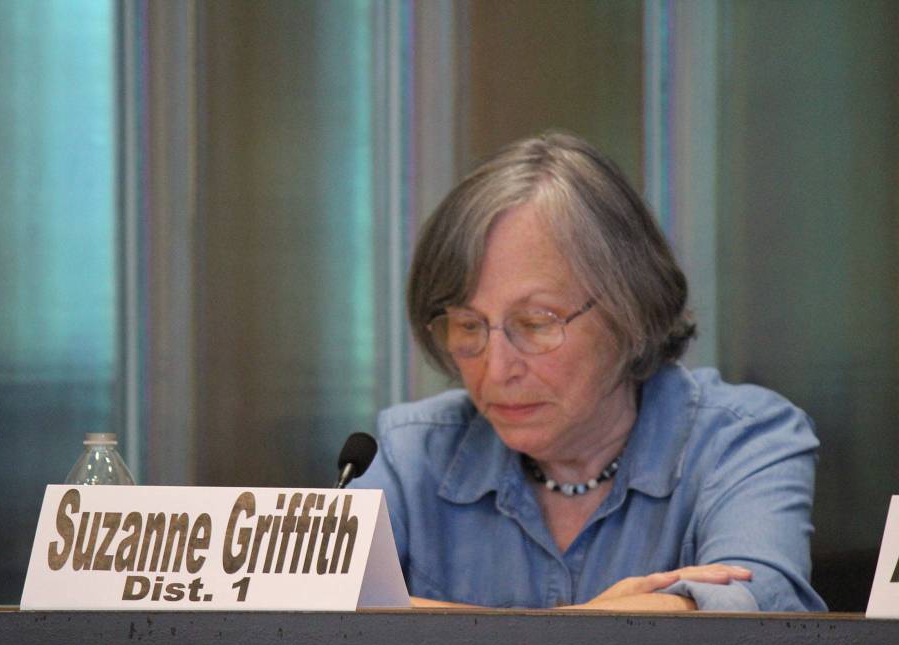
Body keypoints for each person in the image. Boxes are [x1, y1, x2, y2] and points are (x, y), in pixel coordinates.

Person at [351, 131, 826, 611]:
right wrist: (593, 626)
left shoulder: (742, 439)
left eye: (536, 323)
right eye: (468, 326)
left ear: (630, 311)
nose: (496, 369)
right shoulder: (407, 454)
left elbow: (757, 622)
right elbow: (309, 617)